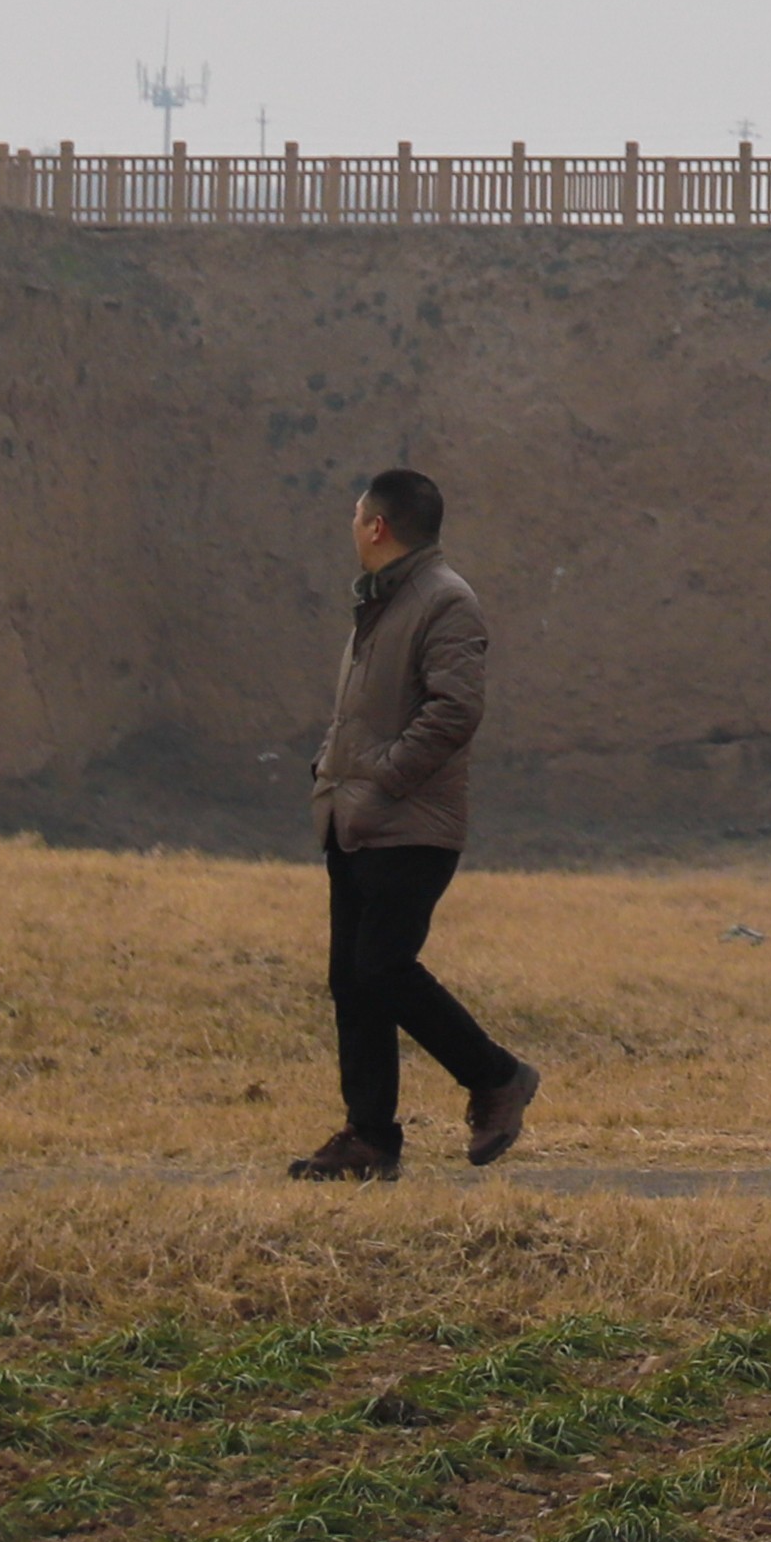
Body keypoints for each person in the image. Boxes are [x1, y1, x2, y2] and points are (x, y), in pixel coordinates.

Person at [294, 467, 535, 1180]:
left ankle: (497, 1076)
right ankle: (369, 1139)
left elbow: (455, 710)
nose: (351, 526)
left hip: (411, 823)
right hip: (355, 818)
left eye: (356, 515)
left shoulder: (445, 601)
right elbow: (359, 714)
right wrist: (331, 769)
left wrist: (385, 775)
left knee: (382, 966)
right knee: (353, 980)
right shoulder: (381, 601)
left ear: (378, 526)